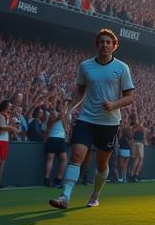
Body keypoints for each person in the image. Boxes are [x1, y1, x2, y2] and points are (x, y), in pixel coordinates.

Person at [50, 29, 135, 210]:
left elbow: (130, 97)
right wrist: (70, 108)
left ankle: (95, 195)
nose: (104, 45)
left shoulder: (122, 68)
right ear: (97, 45)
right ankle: (65, 197)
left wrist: (114, 104)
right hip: (86, 119)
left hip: (110, 123)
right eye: (101, 42)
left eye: (108, 42)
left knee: (101, 163)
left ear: (114, 46)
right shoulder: (85, 66)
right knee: (76, 156)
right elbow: (80, 90)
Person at [43, 100, 69, 187]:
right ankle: (48, 180)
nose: (62, 106)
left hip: (59, 139)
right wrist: (58, 118)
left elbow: (66, 128)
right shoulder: (52, 114)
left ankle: (57, 180)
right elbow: (49, 125)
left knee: (62, 159)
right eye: (61, 104)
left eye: (63, 105)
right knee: (51, 159)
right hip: (54, 138)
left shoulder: (64, 116)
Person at [129, 118, 145, 182]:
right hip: (140, 143)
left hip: (134, 143)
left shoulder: (133, 128)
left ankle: (132, 175)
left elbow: (132, 136)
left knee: (136, 159)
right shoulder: (142, 128)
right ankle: (135, 175)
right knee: (140, 159)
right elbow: (144, 137)